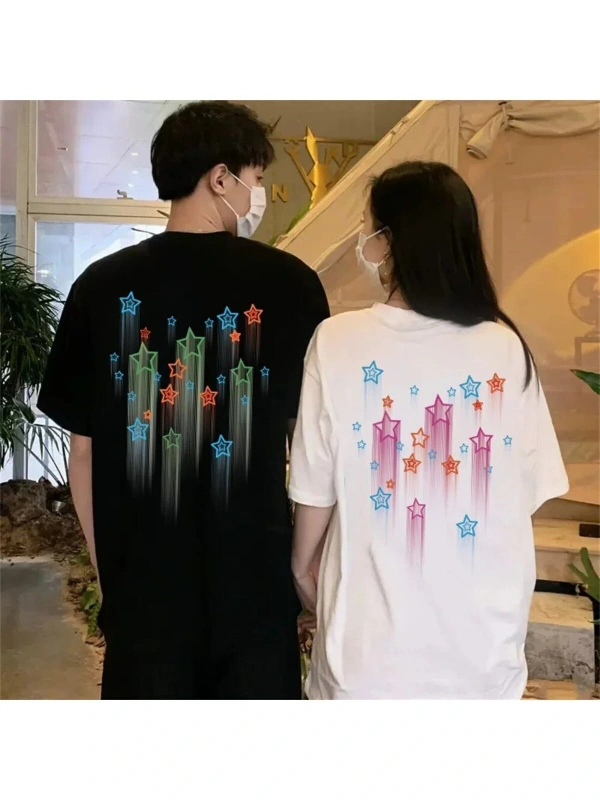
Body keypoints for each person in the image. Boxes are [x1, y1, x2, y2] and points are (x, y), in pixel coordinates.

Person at [38, 101, 329, 700]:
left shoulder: (99, 287)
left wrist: (107, 569)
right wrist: (303, 570)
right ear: (221, 178)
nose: (256, 194)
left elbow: (83, 453)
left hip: (143, 595)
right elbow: (311, 453)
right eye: (255, 178)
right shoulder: (291, 284)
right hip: (251, 595)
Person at [289, 161, 568, 700]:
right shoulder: (506, 348)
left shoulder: (337, 341)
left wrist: (304, 573)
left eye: (368, 227)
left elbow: (313, 492)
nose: (365, 242)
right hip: (482, 653)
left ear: (390, 241)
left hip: (365, 657)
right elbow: (524, 496)